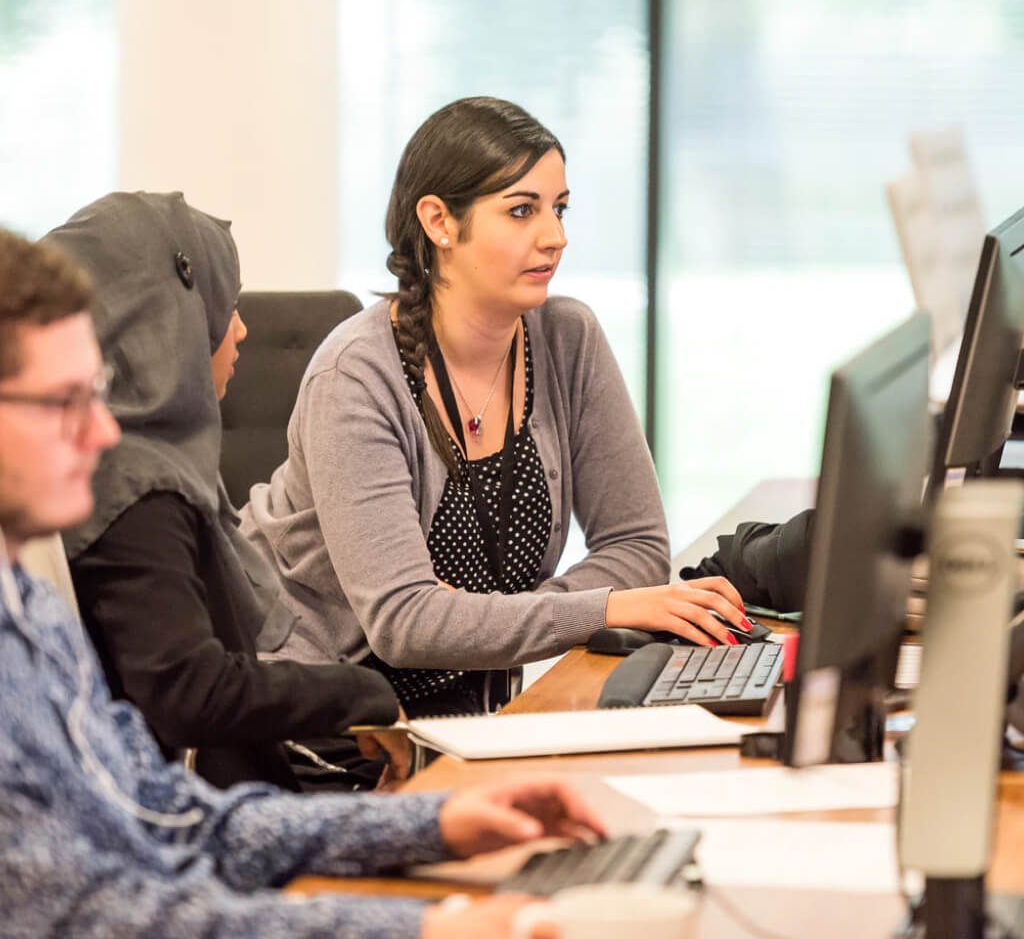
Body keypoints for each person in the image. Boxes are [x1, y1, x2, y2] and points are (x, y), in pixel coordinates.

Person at [0, 224, 605, 938]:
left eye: (96, 393)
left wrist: (434, 823)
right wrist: (424, 929)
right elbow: (89, 914)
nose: (102, 431)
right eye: (62, 400)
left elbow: (166, 812)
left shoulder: (27, 605)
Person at [242, 96, 752, 718]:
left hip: (476, 711)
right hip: (332, 722)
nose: (555, 237)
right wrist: (603, 606)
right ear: (439, 222)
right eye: (521, 211)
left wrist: (488, 618)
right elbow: (405, 622)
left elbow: (637, 545)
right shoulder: (357, 376)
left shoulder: (567, 338)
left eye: (559, 209)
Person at [47, 191, 405, 792]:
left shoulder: (134, 465)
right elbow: (189, 692)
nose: (240, 328)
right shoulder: (137, 490)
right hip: (207, 815)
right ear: (165, 319)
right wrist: (360, 693)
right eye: (225, 305)